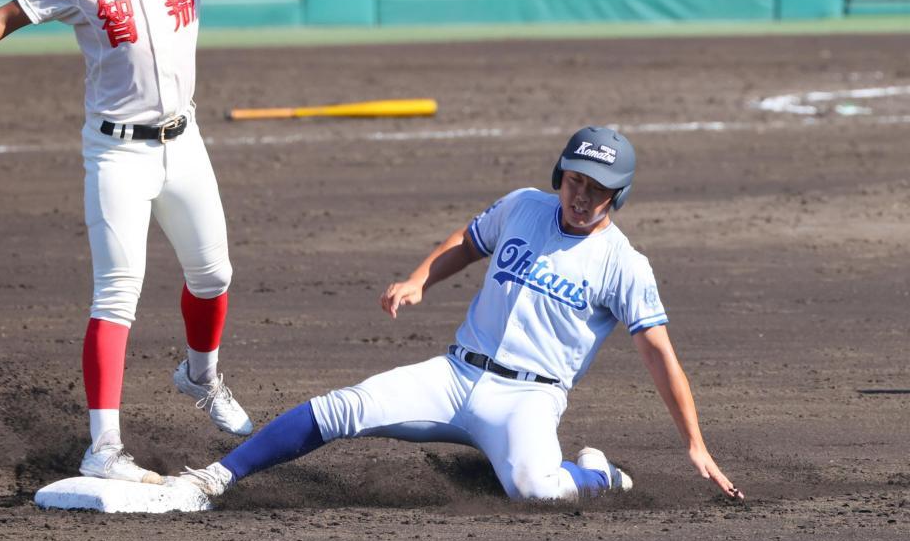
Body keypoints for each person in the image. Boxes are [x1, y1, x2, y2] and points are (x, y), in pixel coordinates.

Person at [0, 0, 392, 484]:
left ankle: (200, 376)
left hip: (185, 147)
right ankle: (102, 448)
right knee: (115, 297)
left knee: (214, 277)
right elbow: (8, 15)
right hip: (116, 157)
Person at [178, 127, 744, 502]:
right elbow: (469, 241)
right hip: (454, 375)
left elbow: (660, 356)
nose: (581, 196)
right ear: (559, 175)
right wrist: (421, 278)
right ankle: (217, 477)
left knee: (538, 494)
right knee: (341, 407)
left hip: (529, 398)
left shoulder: (625, 265)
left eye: (597, 190)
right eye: (575, 180)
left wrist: (694, 442)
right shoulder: (524, 206)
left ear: (617, 197)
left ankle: (598, 474)